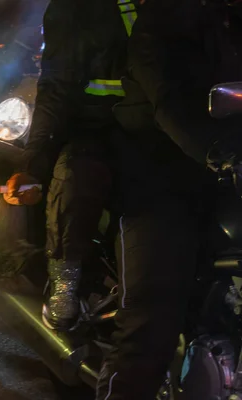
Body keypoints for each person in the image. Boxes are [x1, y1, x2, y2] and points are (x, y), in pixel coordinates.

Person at [93, 0, 242, 398]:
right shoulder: (161, 22)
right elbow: (171, 103)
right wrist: (222, 152)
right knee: (150, 326)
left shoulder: (229, 19)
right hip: (160, 176)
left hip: (224, 180)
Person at [3, 0, 139, 331]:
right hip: (95, 128)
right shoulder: (75, 7)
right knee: (77, 178)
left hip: (157, 132)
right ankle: (66, 280)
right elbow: (55, 89)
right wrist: (34, 163)